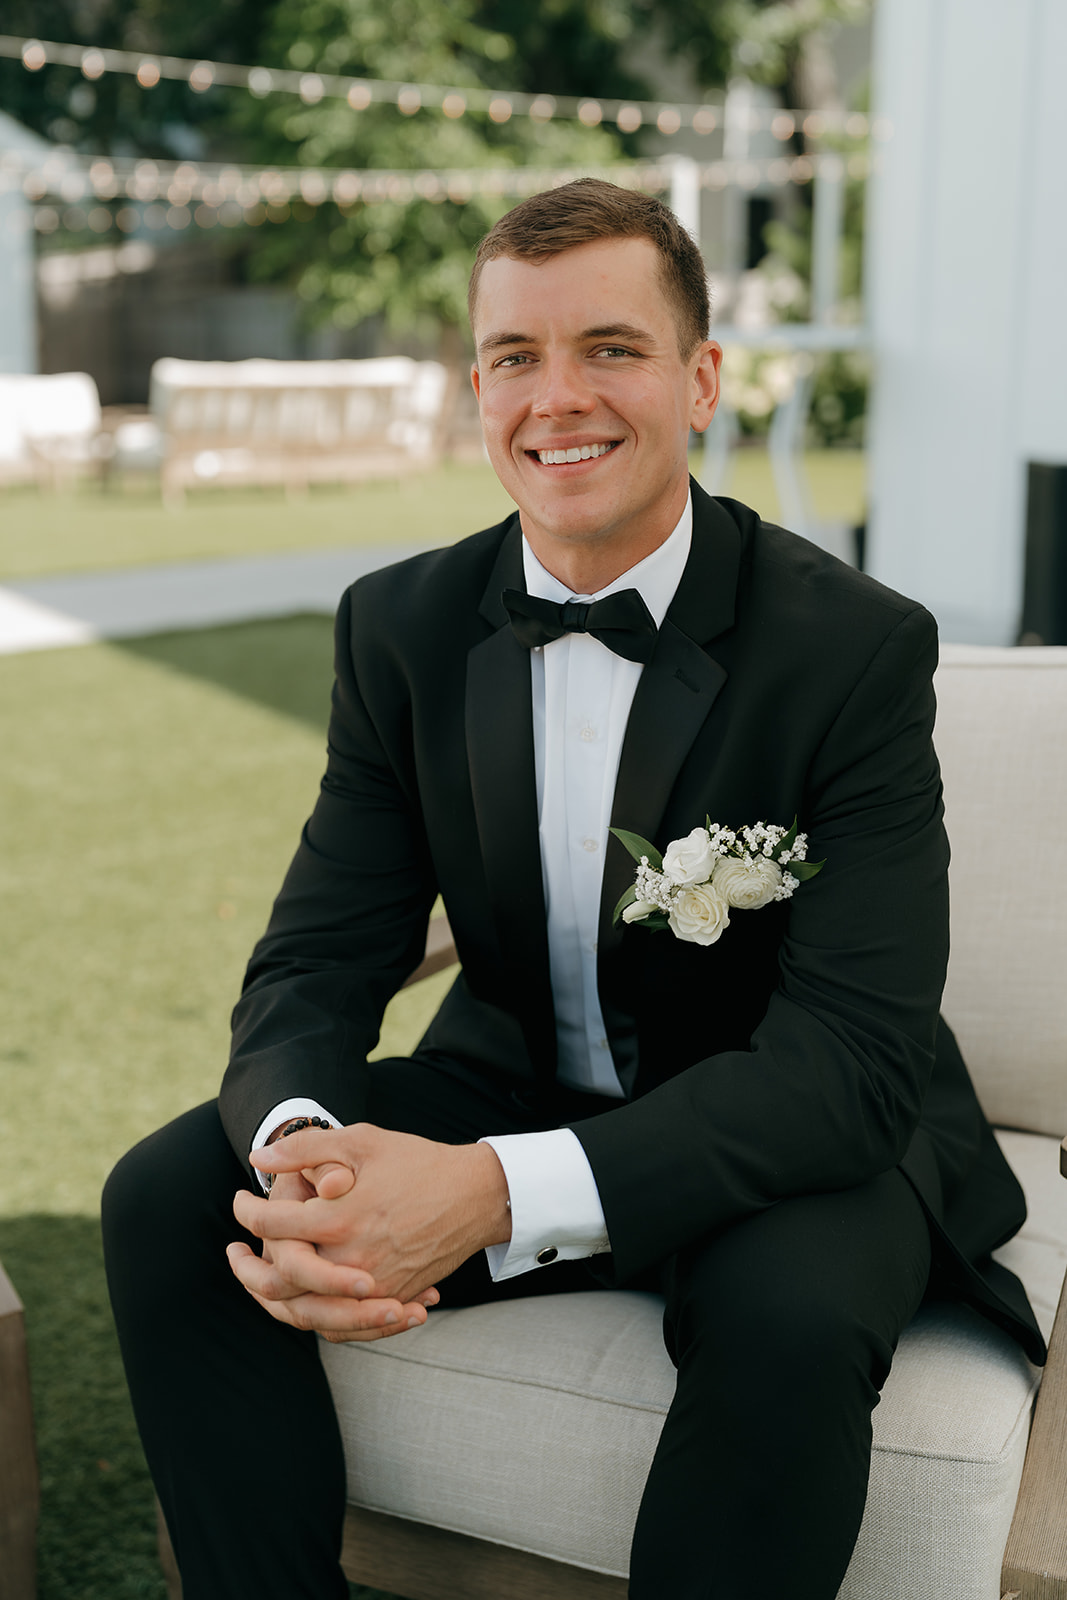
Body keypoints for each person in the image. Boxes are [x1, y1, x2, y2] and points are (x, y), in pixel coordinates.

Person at [103, 179, 1044, 1600]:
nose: (558, 399)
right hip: (519, 1069)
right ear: (475, 385)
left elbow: (847, 1062)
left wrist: (487, 1195)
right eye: (514, 358)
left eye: (610, 348)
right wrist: (301, 1150)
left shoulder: (853, 648)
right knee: (180, 1196)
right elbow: (316, 959)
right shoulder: (402, 626)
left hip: (789, 1121)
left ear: (701, 379)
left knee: (787, 1326)